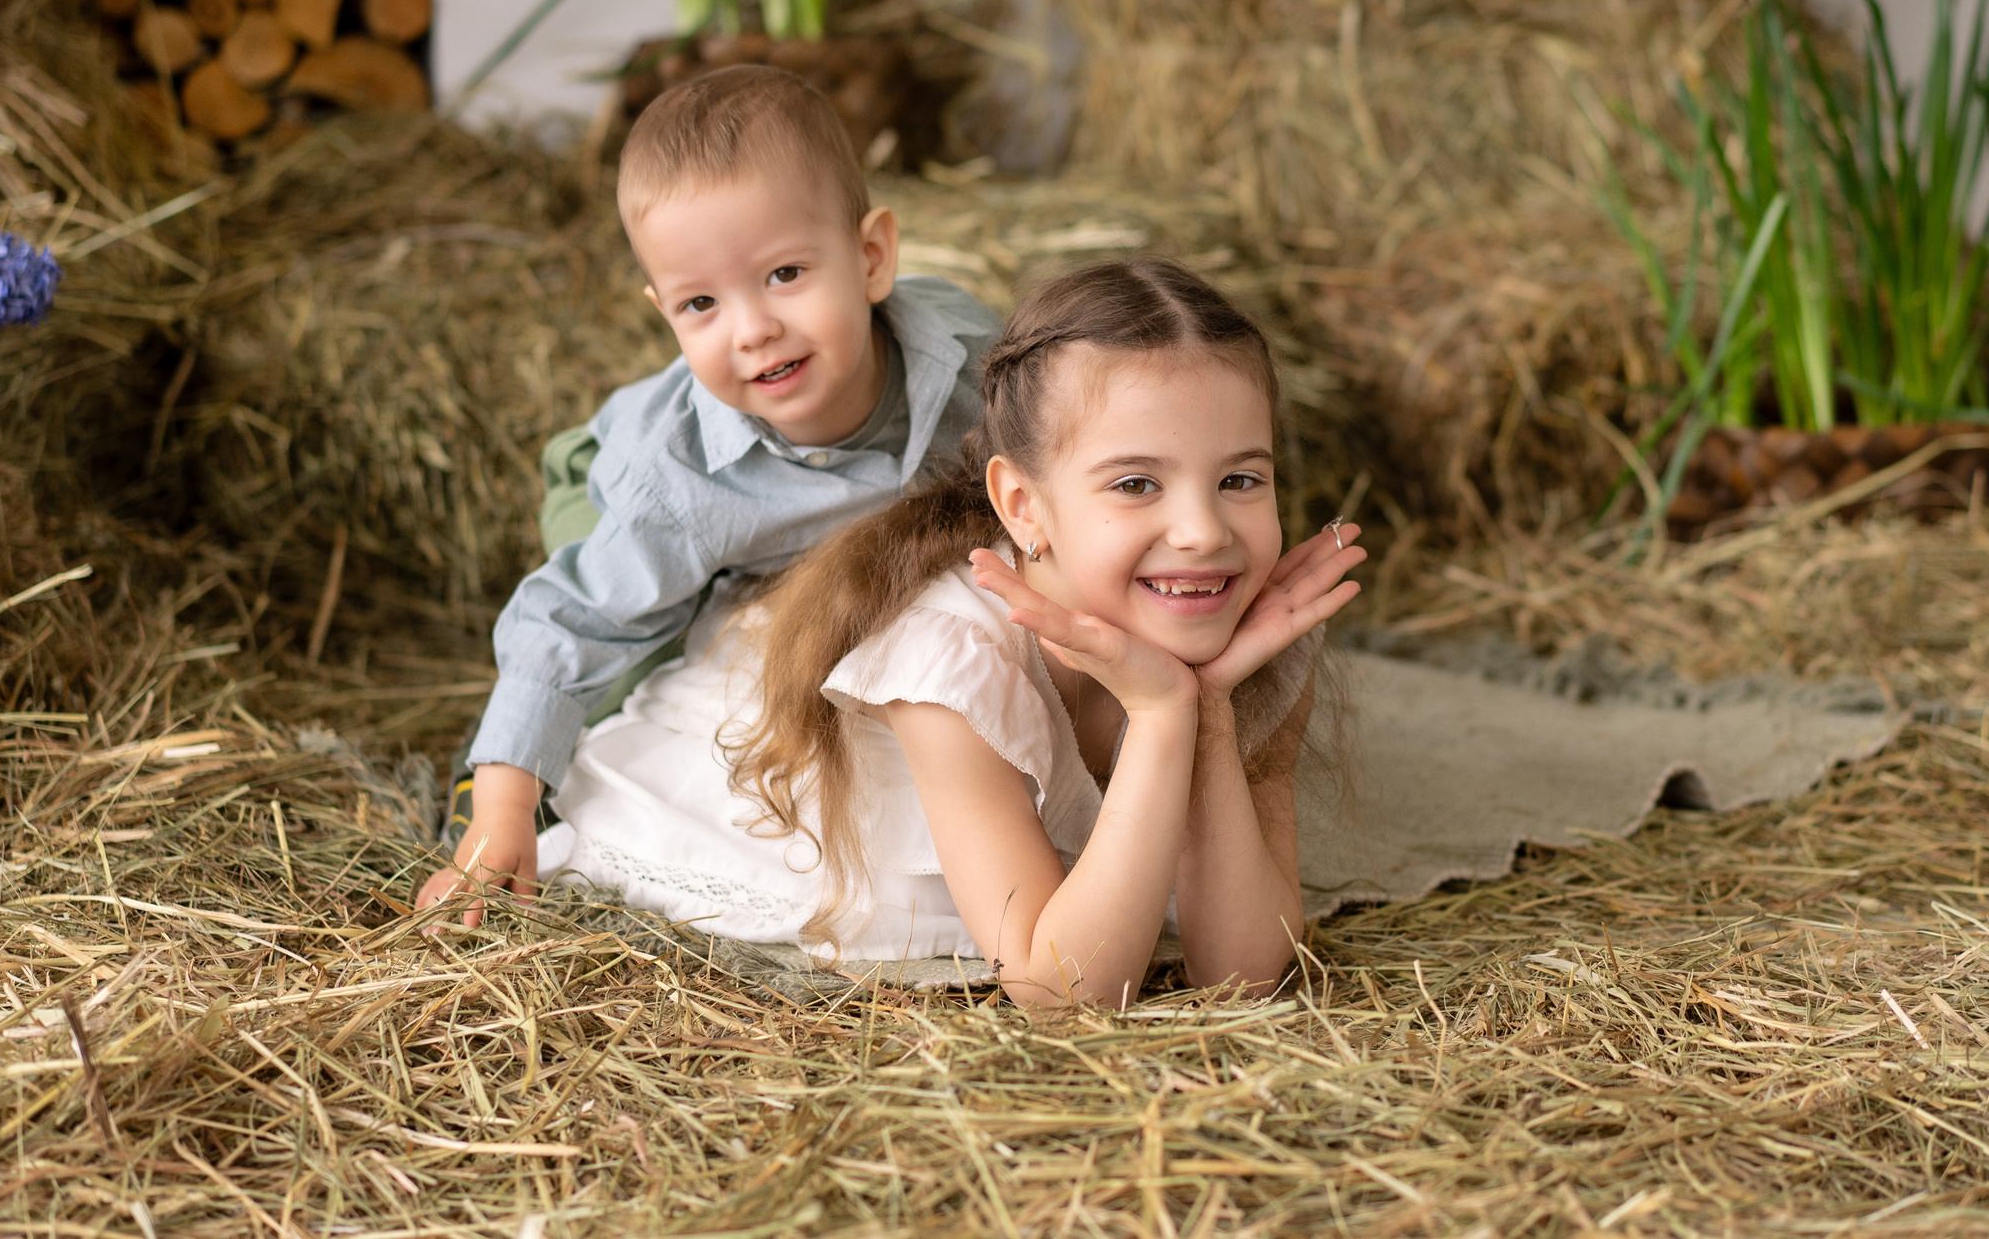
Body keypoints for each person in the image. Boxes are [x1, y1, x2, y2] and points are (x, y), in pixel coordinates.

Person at [531, 258, 1366, 1008]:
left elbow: (1247, 969)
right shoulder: (951, 661)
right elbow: (1062, 989)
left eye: (1241, 478)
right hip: (759, 763)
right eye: (1138, 482)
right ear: (1024, 506)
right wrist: (1157, 717)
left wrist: (1208, 706)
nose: (1201, 530)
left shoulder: (1252, 625)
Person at [414, 65, 998, 922]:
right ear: (665, 312)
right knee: (633, 655)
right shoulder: (674, 483)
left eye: (786, 274)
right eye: (700, 303)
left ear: (871, 258)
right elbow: (574, 621)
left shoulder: (973, 362)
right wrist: (509, 804)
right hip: (611, 482)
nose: (752, 328)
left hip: (831, 533)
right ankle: (494, 786)